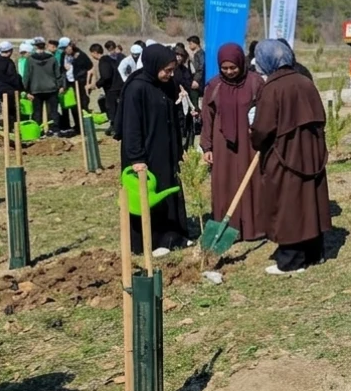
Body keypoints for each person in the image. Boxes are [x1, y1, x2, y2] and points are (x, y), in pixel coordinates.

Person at [250, 40, 332, 274]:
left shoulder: (272, 88)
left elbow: (263, 128)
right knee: (309, 201)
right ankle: (315, 253)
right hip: (311, 153)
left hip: (285, 155)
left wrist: (255, 140)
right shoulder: (306, 82)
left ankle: (291, 260)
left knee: (288, 203)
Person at [117, 44, 189, 257]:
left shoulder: (166, 84)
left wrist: (178, 147)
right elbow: (131, 127)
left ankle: (171, 236)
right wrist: (136, 158)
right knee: (149, 194)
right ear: (154, 65)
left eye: (173, 70)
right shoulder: (137, 88)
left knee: (168, 189)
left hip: (166, 149)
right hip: (145, 153)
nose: (171, 74)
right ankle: (151, 241)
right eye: (167, 70)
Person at [201, 43, 265, 244]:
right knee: (225, 181)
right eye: (224, 68)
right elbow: (207, 118)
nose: (229, 72)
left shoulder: (255, 82)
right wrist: (207, 147)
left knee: (251, 181)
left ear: (241, 63)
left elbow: (265, 111)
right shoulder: (214, 86)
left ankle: (254, 227)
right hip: (222, 144)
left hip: (249, 143)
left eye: (233, 67)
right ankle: (229, 228)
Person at [26, 37, 63, 135]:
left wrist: (26, 90)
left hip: (36, 89)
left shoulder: (30, 60)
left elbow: (27, 76)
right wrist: (60, 85)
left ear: (35, 46)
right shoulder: (52, 59)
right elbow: (58, 74)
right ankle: (54, 130)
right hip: (51, 89)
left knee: (37, 112)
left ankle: (38, 131)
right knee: (53, 111)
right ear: (45, 46)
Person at [60, 40, 93, 134]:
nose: (65, 50)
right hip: (69, 83)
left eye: (66, 48)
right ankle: (77, 125)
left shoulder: (81, 55)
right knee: (73, 106)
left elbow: (89, 67)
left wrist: (80, 76)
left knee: (83, 104)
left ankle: (86, 127)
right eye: (63, 49)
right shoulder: (63, 55)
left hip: (80, 83)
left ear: (71, 47)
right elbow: (61, 68)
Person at [0, 42, 22, 134]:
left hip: (0, 89)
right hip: (11, 90)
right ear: (10, 51)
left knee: (6, 111)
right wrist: (20, 86)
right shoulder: (9, 62)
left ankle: (8, 130)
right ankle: (14, 130)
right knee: (13, 111)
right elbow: (12, 77)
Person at [96, 41, 125, 134]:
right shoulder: (122, 57)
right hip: (122, 86)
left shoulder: (105, 60)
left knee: (112, 108)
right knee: (121, 106)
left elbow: (106, 76)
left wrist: (98, 84)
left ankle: (115, 127)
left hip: (111, 88)